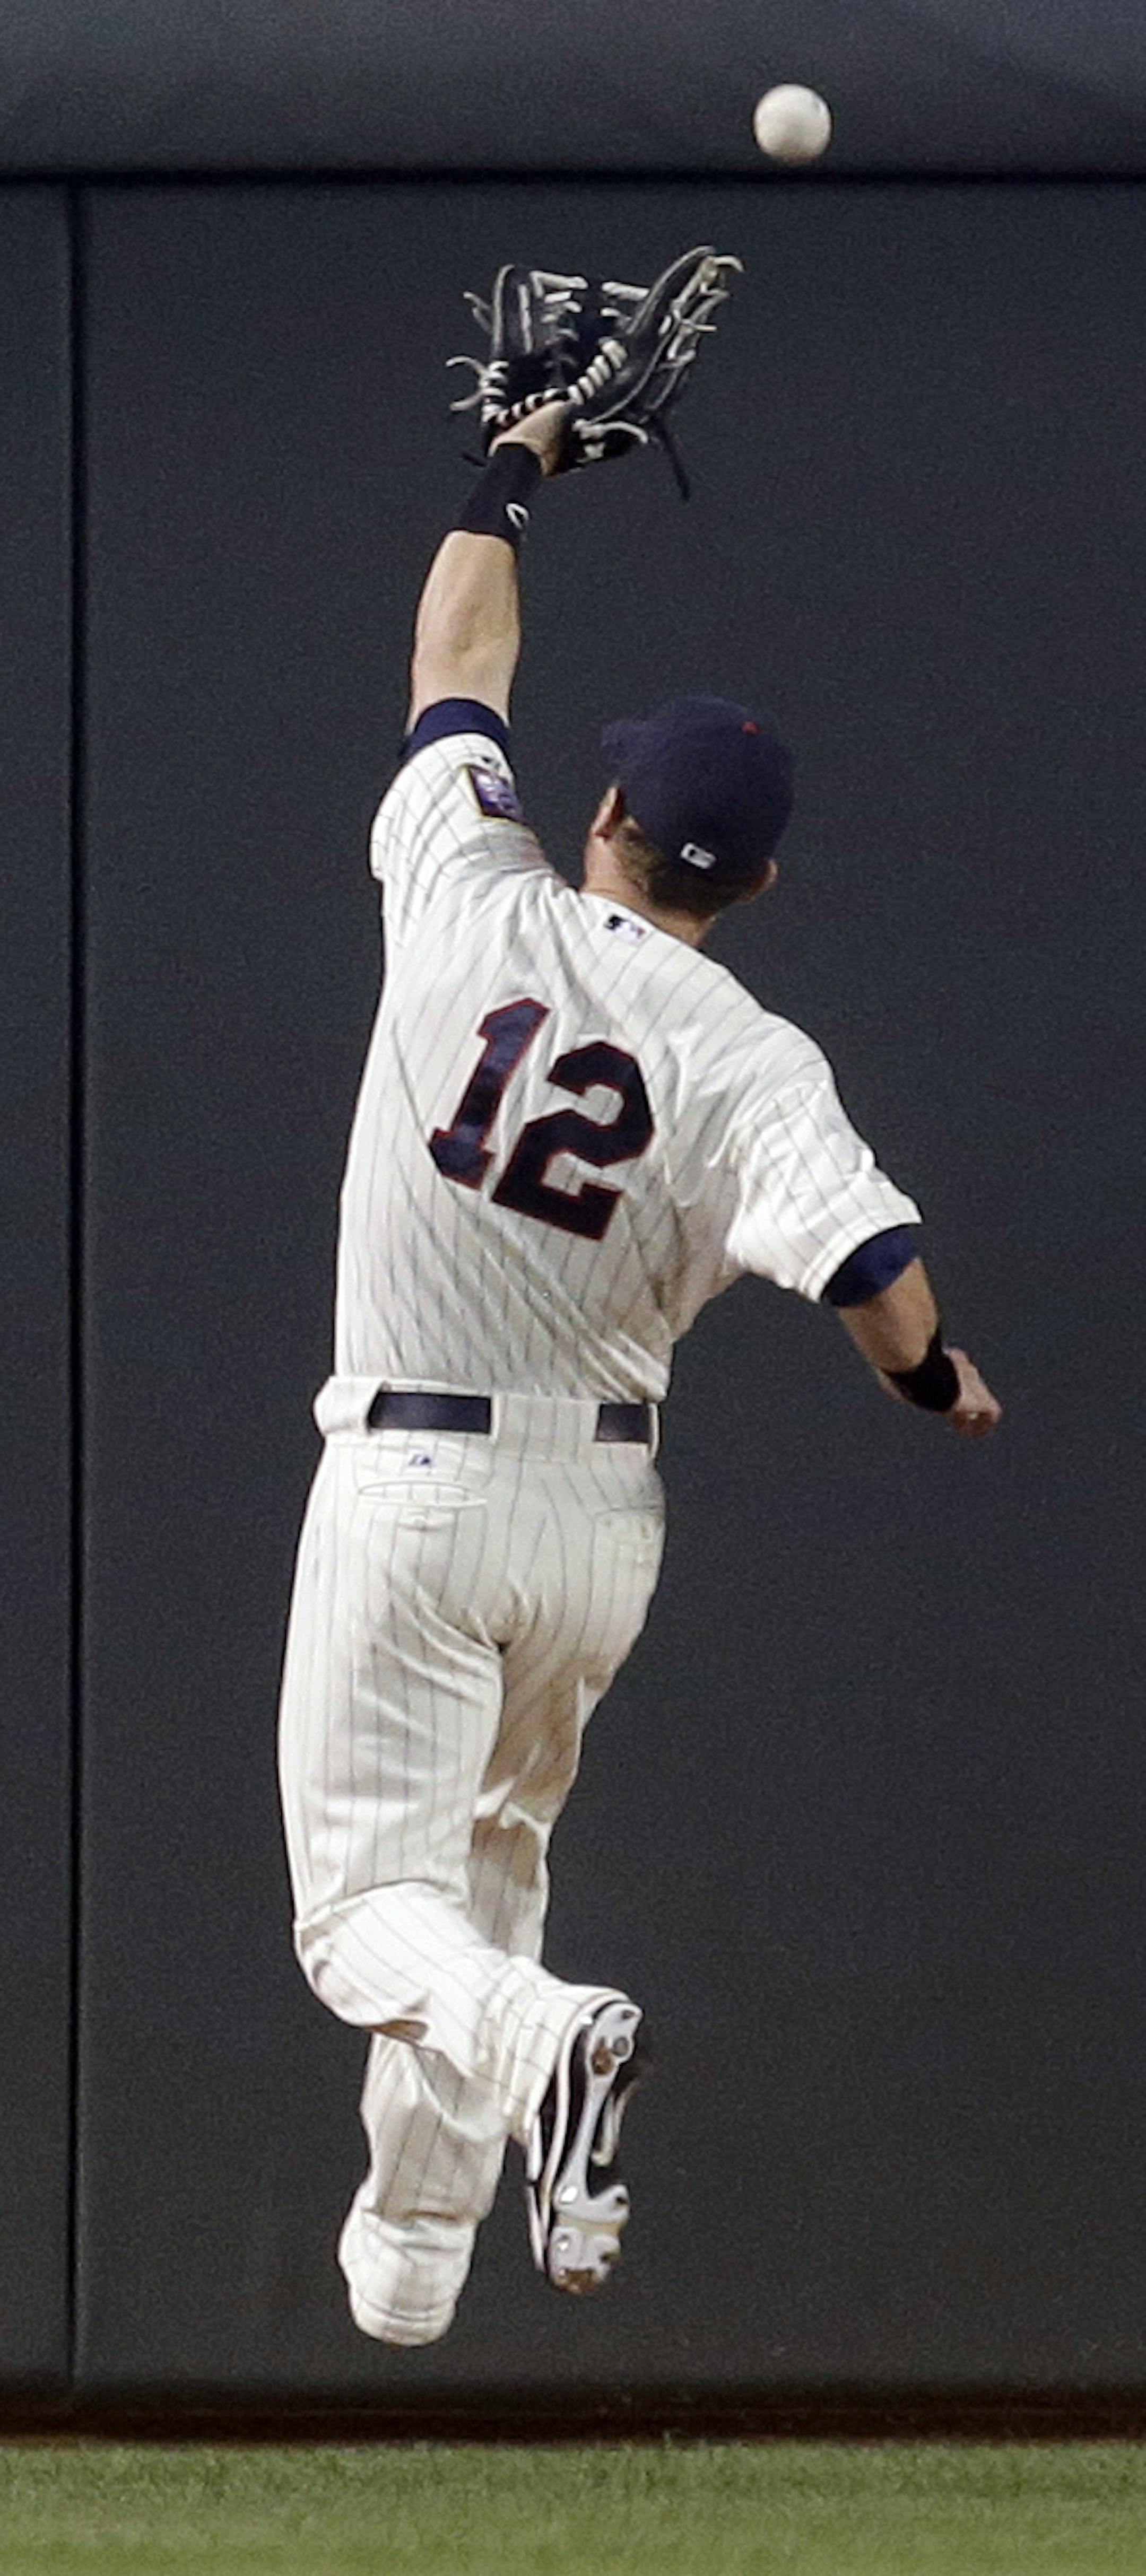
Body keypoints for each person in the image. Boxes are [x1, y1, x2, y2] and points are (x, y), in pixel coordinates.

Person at [277, 394, 1002, 2351]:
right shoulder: (754, 1055)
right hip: (598, 1516)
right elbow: (875, 1270)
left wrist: (505, 471)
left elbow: (457, 664)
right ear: (751, 887)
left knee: (369, 1919)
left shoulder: (466, 892)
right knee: (490, 1867)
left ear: (602, 817)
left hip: (412, 1481)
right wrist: (928, 1388)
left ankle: (551, 2044)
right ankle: (419, 2255)